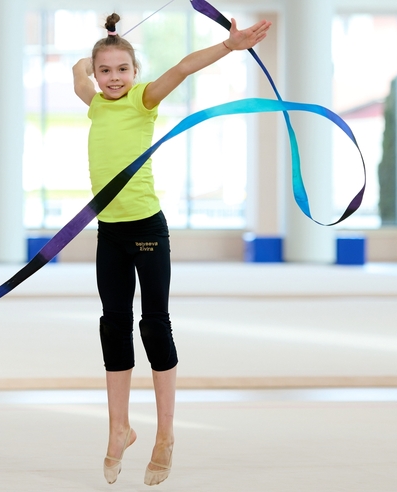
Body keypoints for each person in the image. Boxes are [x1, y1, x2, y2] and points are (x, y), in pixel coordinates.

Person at [72, 12, 271, 486]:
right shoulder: (94, 104)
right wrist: (100, 48)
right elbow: (76, 73)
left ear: (136, 74)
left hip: (146, 230)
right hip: (109, 233)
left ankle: (165, 434)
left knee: (153, 324)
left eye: (123, 69)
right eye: (106, 71)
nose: (114, 78)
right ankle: (118, 428)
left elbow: (182, 67)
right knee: (113, 325)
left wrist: (230, 46)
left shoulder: (143, 100)